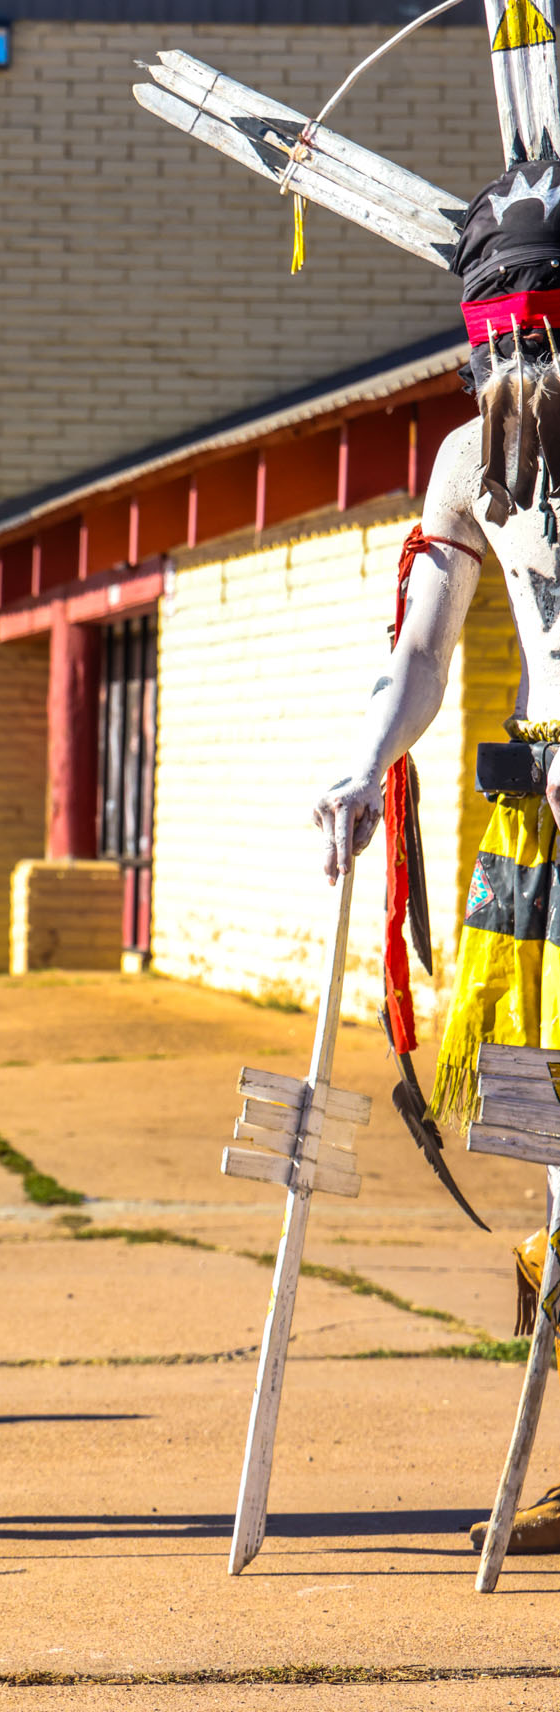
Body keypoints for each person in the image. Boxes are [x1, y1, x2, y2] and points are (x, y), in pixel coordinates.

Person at [314, 160, 560, 1554]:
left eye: (547, 325)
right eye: (501, 334)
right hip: (537, 825)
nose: (524, 355)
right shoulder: (470, 456)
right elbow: (418, 643)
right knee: (546, 1133)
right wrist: (362, 762)